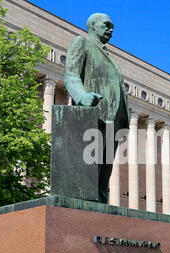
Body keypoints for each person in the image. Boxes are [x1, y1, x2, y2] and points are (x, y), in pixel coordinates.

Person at [64, 13, 129, 204]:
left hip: (113, 119)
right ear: (93, 25)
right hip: (93, 115)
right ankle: (88, 207)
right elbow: (71, 75)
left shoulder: (110, 56)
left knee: (104, 173)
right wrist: (82, 96)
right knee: (90, 169)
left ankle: (100, 205)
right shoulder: (82, 43)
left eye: (112, 26)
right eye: (107, 25)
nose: (111, 29)